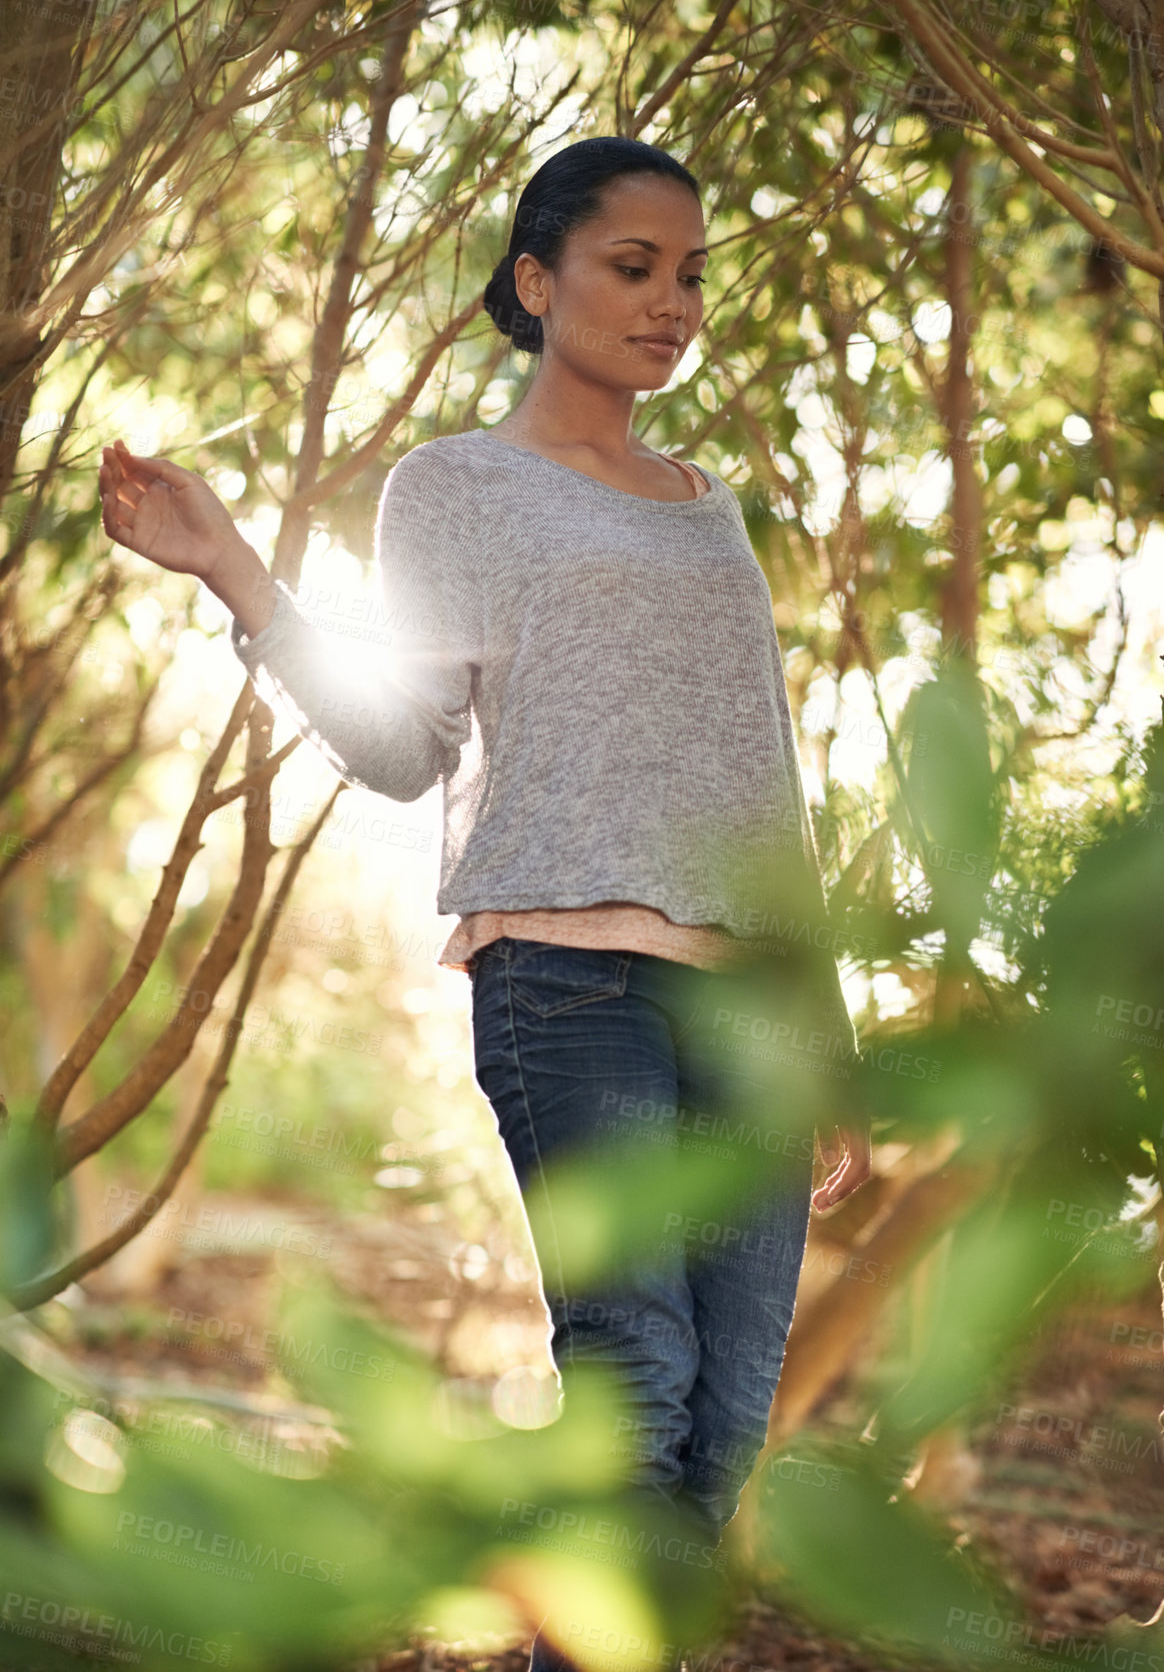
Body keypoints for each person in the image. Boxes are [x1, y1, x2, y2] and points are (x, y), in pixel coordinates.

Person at [99, 135, 871, 1672]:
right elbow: (403, 749)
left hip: (750, 1008)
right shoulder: (450, 486)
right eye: (633, 267)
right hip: (568, 988)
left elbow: (762, 786)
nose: (673, 304)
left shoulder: (710, 509)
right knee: (635, 1375)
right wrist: (239, 574)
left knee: (722, 1426)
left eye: (693, 274)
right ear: (537, 281)